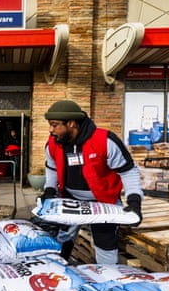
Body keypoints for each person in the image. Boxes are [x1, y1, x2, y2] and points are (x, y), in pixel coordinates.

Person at [39, 100, 143, 264]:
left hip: (103, 201)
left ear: (71, 123)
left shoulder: (105, 141)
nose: (51, 130)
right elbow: (51, 167)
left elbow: (128, 171)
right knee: (63, 236)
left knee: (105, 241)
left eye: (55, 125)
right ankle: (58, 268)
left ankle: (108, 278)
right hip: (71, 199)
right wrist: (49, 190)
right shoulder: (53, 143)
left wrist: (134, 201)